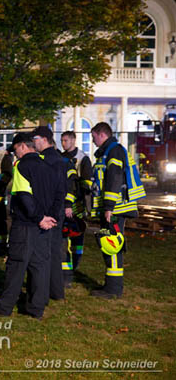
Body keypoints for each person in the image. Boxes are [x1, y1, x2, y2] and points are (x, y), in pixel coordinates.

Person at [0, 133, 57, 320]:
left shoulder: (22, 166)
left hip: (25, 224)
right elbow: (57, 194)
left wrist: (38, 217)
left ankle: (5, 306)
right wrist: (48, 217)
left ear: (23, 146)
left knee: (16, 265)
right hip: (46, 225)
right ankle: (36, 308)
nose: (15, 154)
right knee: (39, 266)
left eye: (15, 150)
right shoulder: (48, 166)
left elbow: (23, 195)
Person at [89, 122, 145, 299]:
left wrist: (108, 208)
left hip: (115, 209)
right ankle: (111, 286)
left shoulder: (113, 151)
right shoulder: (109, 151)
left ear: (101, 134)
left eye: (93, 136)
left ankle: (113, 289)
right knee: (110, 245)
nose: (92, 140)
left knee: (111, 246)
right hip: (115, 208)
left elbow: (114, 179)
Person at [32, 126, 68, 302]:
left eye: (35, 139)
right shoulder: (60, 160)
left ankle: (45, 291)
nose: (34, 143)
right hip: (57, 212)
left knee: (45, 254)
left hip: (49, 213)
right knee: (54, 252)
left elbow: (54, 190)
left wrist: (49, 215)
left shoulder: (46, 160)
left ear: (44, 139)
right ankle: (57, 291)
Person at [60, 131, 93, 286]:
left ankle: (75, 265)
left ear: (73, 140)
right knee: (64, 235)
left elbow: (86, 183)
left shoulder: (82, 158)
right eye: (62, 140)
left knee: (77, 236)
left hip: (77, 203)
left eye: (66, 140)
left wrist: (77, 195)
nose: (63, 143)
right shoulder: (61, 156)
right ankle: (66, 271)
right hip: (64, 202)